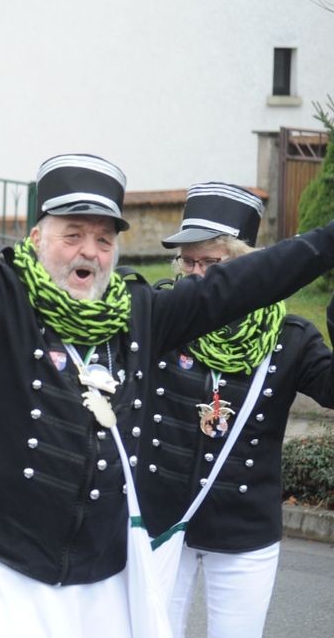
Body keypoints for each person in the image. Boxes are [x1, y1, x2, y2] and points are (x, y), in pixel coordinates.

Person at [0, 97, 334, 637]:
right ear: (36, 238)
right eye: (72, 234)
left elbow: (243, 284)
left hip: (95, 572)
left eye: (103, 238)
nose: (88, 252)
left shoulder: (140, 314)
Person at [137, 183, 334, 638]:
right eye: (189, 262)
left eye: (212, 263)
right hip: (162, 522)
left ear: (249, 264)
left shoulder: (291, 337)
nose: (199, 276)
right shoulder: (162, 319)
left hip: (245, 530)